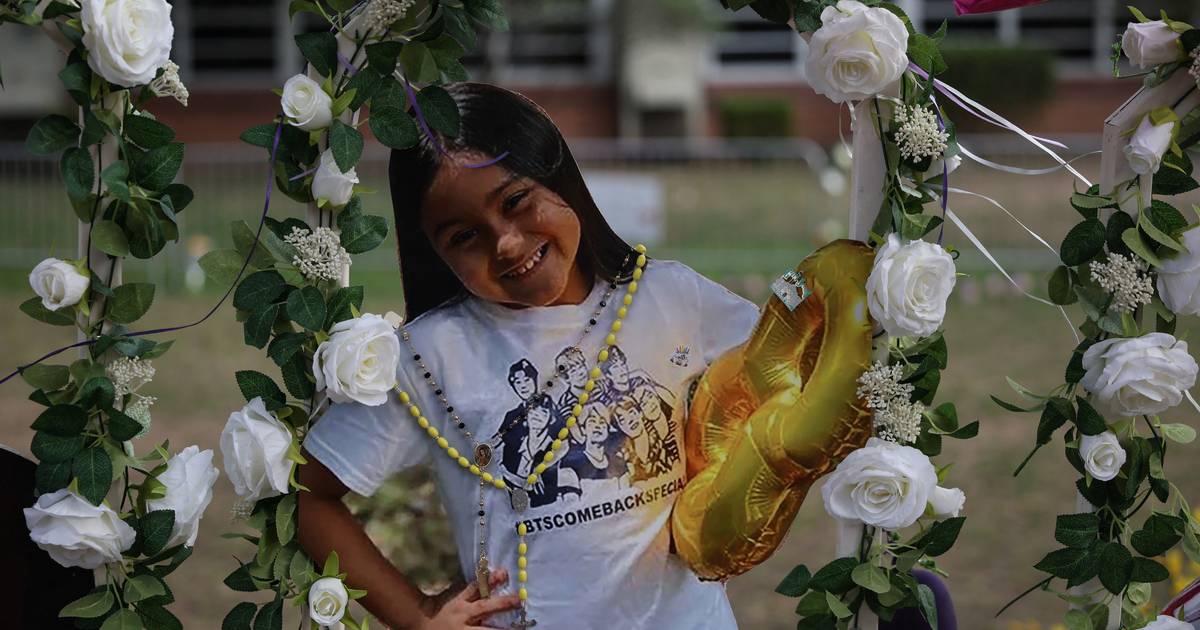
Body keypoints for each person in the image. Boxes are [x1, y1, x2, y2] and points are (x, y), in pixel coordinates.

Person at [297, 82, 760, 629]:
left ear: (558, 175)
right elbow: (310, 499)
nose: (507, 244)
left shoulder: (671, 297)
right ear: (435, 253)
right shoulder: (429, 358)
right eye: (464, 236)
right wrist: (418, 616)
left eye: (516, 202)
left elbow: (787, 372)